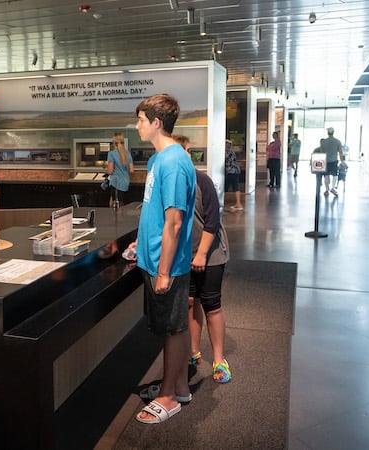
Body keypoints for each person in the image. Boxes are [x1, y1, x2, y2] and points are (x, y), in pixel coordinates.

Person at [129, 94, 196, 424]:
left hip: (165, 263)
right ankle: (179, 386)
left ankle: (168, 396)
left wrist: (164, 271)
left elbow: (174, 220)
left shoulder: (172, 162)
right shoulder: (159, 160)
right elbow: (155, 213)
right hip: (155, 257)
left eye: (141, 120)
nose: (137, 125)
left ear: (157, 123)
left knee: (171, 330)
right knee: (176, 326)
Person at [173, 135, 233, 384]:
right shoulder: (173, 182)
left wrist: (201, 254)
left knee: (211, 304)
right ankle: (193, 352)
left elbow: (212, 220)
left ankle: (219, 359)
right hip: (187, 256)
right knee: (189, 302)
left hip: (212, 254)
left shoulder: (202, 181)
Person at [106, 132, 134, 208]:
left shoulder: (111, 154)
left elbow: (110, 171)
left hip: (116, 183)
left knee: (113, 205)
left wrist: (106, 169)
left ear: (113, 143)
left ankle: (115, 220)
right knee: (121, 204)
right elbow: (131, 170)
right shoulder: (128, 154)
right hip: (125, 183)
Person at [320, 127, 345, 196]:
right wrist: (342, 161)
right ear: (333, 132)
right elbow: (340, 152)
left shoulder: (323, 142)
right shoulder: (337, 141)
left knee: (326, 175)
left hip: (326, 161)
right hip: (334, 161)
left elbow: (322, 153)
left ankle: (327, 189)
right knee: (334, 175)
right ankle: (333, 188)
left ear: (327, 133)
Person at [224, 139, 243, 210]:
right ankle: (238, 203)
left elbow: (225, 160)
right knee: (236, 187)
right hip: (235, 171)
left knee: (226, 187)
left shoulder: (227, 153)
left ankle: (238, 204)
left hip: (231, 172)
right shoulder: (232, 152)